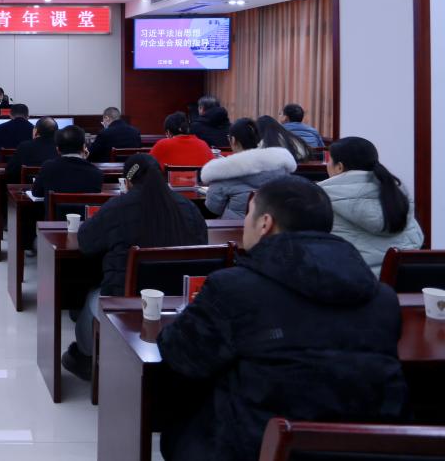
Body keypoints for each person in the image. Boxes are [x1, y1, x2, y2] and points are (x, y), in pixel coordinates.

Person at [157, 177, 408, 461]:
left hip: (255, 447)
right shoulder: (383, 298)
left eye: (249, 214)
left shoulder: (233, 288)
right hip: (364, 451)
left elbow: (181, 355)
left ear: (265, 223)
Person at [63, 154, 207, 379]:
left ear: (128, 182)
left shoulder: (118, 207)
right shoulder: (189, 209)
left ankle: (88, 357)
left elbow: (86, 242)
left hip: (125, 302)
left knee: (91, 297)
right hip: (181, 304)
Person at [320, 137, 424, 275]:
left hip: (350, 281)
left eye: (329, 160)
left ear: (339, 167)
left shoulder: (320, 197)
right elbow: (417, 239)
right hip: (403, 280)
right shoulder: (397, 194)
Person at [200, 118, 296, 219]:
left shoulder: (223, 171)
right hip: (274, 224)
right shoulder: (279, 166)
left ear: (233, 140)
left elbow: (213, 208)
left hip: (235, 226)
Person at [31, 125, 104, 199]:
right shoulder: (96, 173)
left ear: (58, 150)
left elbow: (36, 193)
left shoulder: (48, 167)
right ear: (83, 147)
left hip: (55, 207)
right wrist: (83, 160)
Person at [150, 112, 215, 169]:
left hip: (170, 179)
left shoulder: (162, 145)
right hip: (199, 179)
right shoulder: (203, 144)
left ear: (168, 132)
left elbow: (147, 166)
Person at [5, 116, 59, 183]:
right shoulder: (60, 147)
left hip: (28, 186)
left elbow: (10, 171)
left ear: (36, 131)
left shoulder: (24, 146)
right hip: (55, 186)